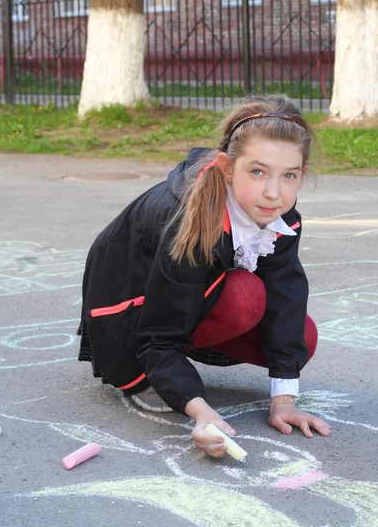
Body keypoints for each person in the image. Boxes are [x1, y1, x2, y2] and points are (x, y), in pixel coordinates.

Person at [77, 94, 331, 458]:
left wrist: (283, 401)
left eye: (288, 175)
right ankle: (148, 376)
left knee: (302, 334)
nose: (273, 192)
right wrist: (199, 410)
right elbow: (161, 335)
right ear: (227, 167)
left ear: (302, 174)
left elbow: (286, 296)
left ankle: (178, 366)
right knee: (244, 296)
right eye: (257, 171)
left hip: (188, 300)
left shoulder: (278, 217)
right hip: (127, 313)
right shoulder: (191, 218)